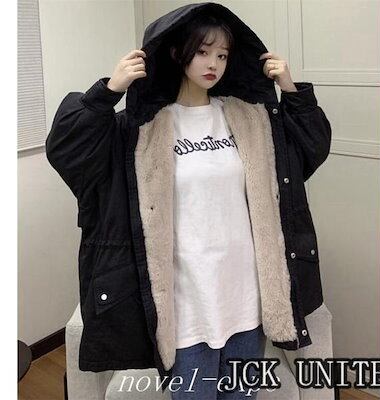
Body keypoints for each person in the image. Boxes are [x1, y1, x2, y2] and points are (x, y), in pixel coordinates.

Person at [46, 2, 333, 399]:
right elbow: (67, 151)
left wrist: (291, 91)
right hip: (185, 306)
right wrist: (106, 93)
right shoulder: (141, 129)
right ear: (177, 53)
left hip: (246, 297)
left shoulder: (250, 120)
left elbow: (312, 148)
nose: (213, 63)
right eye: (202, 51)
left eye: (223, 55)